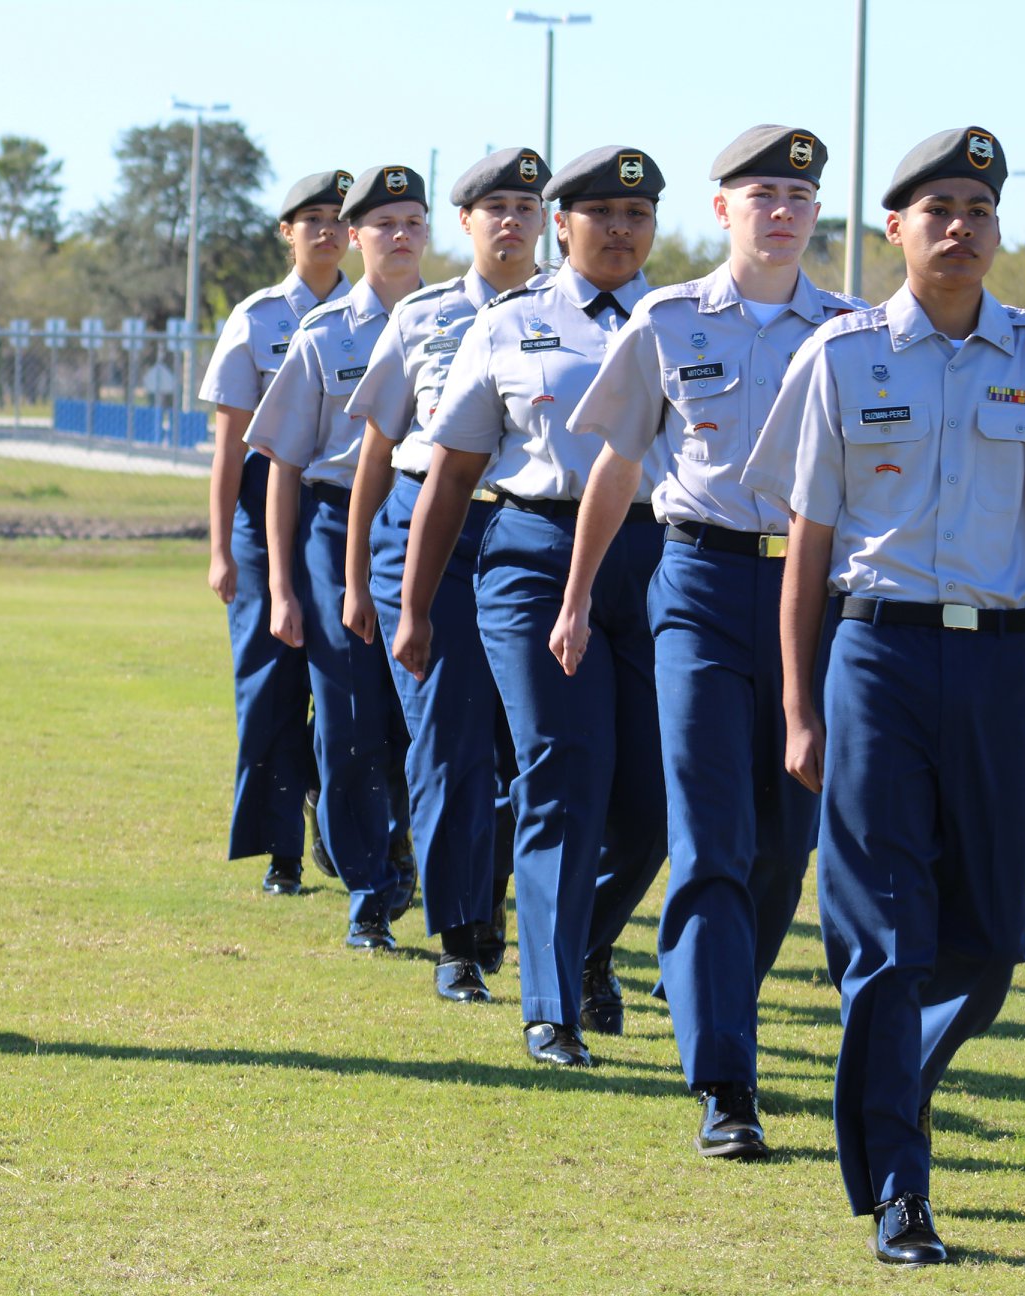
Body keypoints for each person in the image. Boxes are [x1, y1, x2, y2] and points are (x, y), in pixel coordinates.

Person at [743, 126, 1025, 1265]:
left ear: (999, 228)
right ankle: (899, 1189)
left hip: (1001, 664)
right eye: (937, 209)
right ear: (893, 233)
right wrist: (799, 701)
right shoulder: (843, 356)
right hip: (876, 661)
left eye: (979, 206)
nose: (960, 226)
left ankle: (886, 1080)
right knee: (883, 933)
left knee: (995, 933)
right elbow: (806, 541)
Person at [553, 125, 863, 1156]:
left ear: (815, 214)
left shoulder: (854, 333)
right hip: (699, 581)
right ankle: (726, 1083)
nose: (781, 211)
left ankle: (702, 971)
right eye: (761, 192)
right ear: (723, 209)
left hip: (812, 596)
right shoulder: (667, 318)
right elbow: (617, 464)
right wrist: (578, 592)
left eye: (798, 195)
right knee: (713, 836)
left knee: (785, 846)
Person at [399, 146, 667, 1065]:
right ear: (564, 225)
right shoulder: (510, 325)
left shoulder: (686, 324)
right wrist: (416, 606)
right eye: (603, 215)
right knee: (563, 772)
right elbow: (454, 472)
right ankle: (550, 1007)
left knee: (654, 800)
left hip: (662, 561)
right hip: (534, 558)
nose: (622, 231)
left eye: (638, 216)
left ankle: (584, 941)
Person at [341, 148, 549, 1000]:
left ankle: (496, 900)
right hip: (426, 531)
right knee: (446, 742)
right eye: (493, 205)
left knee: (524, 745)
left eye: (526, 206)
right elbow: (377, 452)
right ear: (462, 224)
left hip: (526, 532)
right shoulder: (421, 317)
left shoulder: (573, 317)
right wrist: (357, 578)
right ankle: (459, 939)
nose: (511, 220)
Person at [246, 165, 429, 950]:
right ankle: (368, 888)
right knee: (350, 710)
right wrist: (283, 588)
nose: (399, 236)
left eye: (413, 222)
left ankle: (399, 840)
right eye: (382, 223)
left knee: (416, 716)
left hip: (429, 521)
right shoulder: (323, 335)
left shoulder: (462, 322)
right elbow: (283, 463)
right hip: (333, 521)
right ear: (354, 238)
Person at [202, 172, 353, 896]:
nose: (326, 230)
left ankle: (340, 808)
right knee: (270, 678)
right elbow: (229, 444)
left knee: (347, 675)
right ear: (285, 232)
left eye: (337, 218)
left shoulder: (374, 313)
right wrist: (220, 548)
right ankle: (279, 851)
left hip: (342, 509)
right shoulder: (257, 319)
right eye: (311, 218)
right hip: (262, 511)